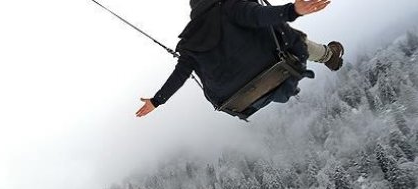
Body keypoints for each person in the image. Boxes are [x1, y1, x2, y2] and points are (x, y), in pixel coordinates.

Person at [136, 0, 344, 119]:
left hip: (235, 98)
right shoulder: (230, 7)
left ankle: (328, 56)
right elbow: (260, 15)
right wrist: (293, 10)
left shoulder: (190, 40)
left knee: (276, 37)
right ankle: (328, 56)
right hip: (271, 67)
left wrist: (157, 101)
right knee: (286, 37)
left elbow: (180, 75)